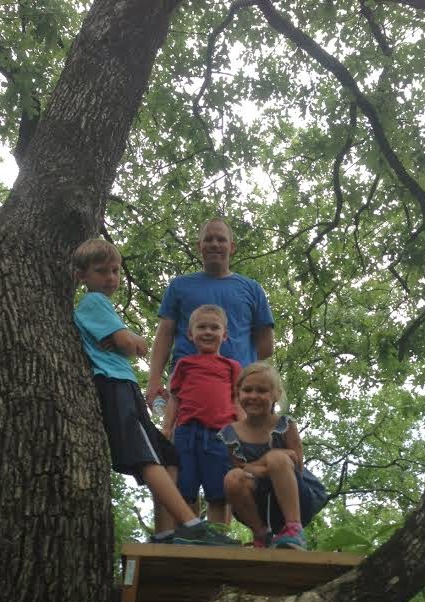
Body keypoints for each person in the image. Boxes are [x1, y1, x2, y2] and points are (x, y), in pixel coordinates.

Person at [72, 237, 238, 546]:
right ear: (82, 276)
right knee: (146, 456)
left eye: (115, 270)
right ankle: (191, 524)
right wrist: (134, 340)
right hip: (113, 385)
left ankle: (165, 531)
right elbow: (129, 344)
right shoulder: (94, 302)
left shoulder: (101, 305)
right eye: (101, 271)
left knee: (168, 455)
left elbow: (129, 343)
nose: (111, 278)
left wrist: (131, 341)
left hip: (124, 385)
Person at [146, 217, 274, 406]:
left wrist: (241, 370)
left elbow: (266, 346)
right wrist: (154, 380)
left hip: (239, 391)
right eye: (208, 239)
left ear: (232, 247)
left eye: (221, 239)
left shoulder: (252, 289)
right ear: (199, 246)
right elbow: (164, 335)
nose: (214, 244)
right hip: (187, 386)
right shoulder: (179, 286)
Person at [219, 363, 329, 550]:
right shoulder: (231, 433)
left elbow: (297, 465)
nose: (253, 396)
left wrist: (267, 463)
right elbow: (240, 468)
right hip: (258, 502)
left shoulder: (285, 426)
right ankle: (261, 535)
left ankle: (294, 529)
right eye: (247, 390)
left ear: (276, 395)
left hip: (296, 498)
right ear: (238, 393)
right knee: (232, 478)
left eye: (262, 391)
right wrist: (267, 462)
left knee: (278, 459)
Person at [162, 304, 243, 525]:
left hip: (221, 435)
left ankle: (218, 535)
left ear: (224, 335)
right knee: (185, 487)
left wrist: (243, 433)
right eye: (201, 327)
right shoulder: (184, 365)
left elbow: (238, 400)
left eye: (214, 328)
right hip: (187, 433)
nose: (208, 332)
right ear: (190, 334)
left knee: (218, 491)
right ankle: (189, 531)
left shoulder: (232, 366)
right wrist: (167, 428)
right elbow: (175, 399)